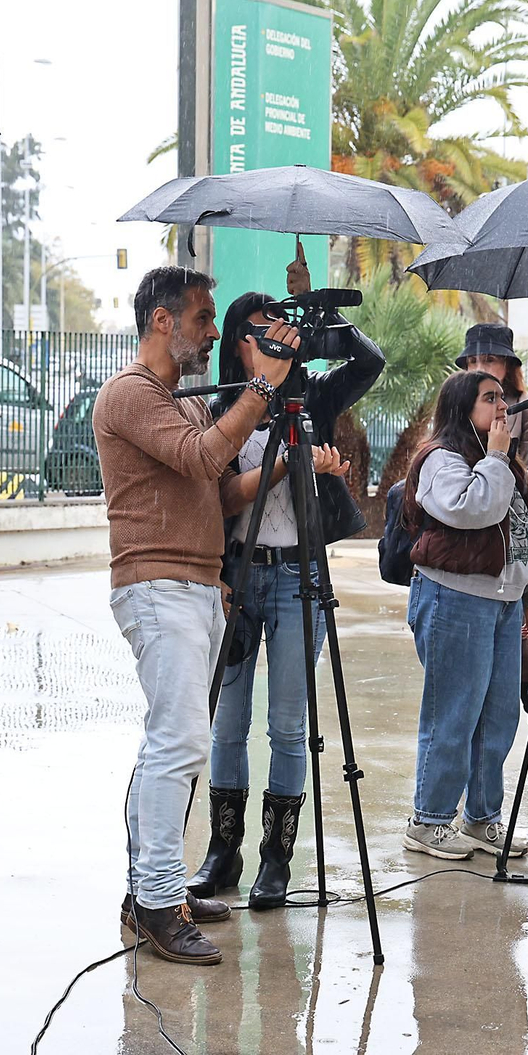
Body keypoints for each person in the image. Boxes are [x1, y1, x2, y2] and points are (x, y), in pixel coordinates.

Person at [92, 264, 299, 966]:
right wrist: (261, 387)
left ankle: (153, 891)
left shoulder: (183, 402)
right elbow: (203, 457)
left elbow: (222, 492)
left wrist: (282, 461)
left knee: (173, 742)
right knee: (177, 743)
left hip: (195, 586)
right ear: (163, 320)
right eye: (203, 318)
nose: (214, 332)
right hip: (157, 586)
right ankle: (157, 901)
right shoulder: (130, 393)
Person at [188, 247, 384, 910]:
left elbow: (369, 362)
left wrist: (314, 312)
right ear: (236, 346)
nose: (269, 341)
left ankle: (277, 860)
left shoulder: (311, 399)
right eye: (257, 332)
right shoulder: (220, 410)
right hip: (239, 578)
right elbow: (220, 497)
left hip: (300, 573)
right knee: (227, 722)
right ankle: (223, 851)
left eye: (277, 331)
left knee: (287, 723)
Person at [400, 370, 528, 860]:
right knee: (454, 712)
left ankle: (482, 818)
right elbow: (473, 509)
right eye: (489, 399)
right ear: (463, 408)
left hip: (503, 600)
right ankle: (429, 819)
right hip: (455, 598)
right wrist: (498, 458)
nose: (502, 406)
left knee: (499, 715)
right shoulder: (441, 458)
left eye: (503, 397)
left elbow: (519, 529)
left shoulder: (498, 458)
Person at [456, 323, 528, 480]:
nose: (479, 368)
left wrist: (501, 458)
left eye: (489, 360)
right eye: (472, 361)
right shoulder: (455, 404)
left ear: (507, 365)